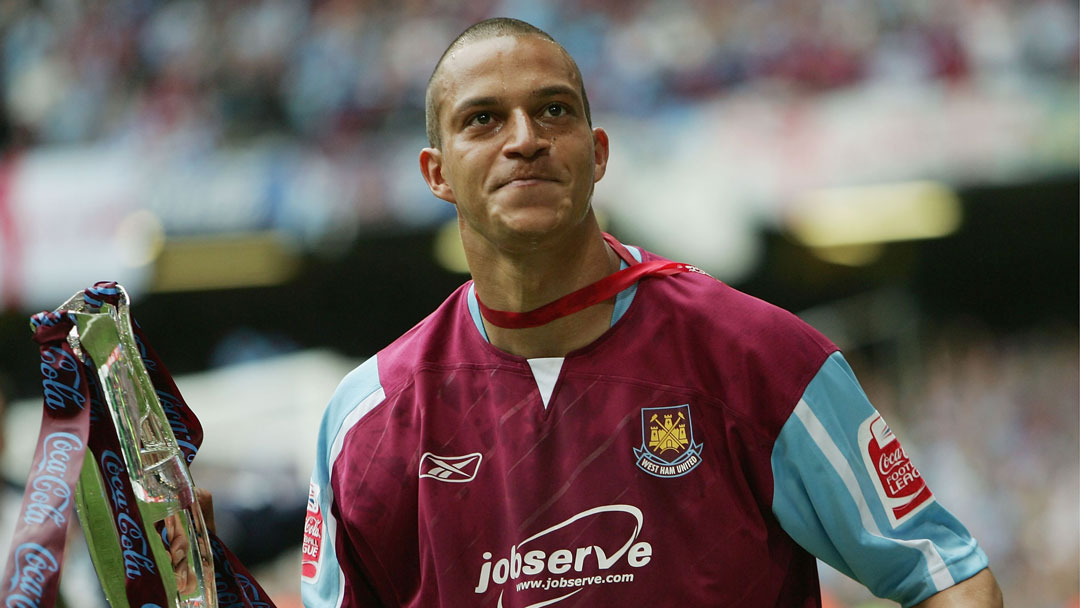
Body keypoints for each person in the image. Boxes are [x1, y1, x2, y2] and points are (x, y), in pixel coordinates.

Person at [301, 17, 1003, 608]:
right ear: (436, 173)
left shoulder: (760, 356)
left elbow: (947, 577)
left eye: (554, 110)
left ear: (597, 152)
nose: (525, 138)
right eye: (483, 119)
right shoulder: (366, 419)